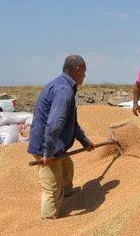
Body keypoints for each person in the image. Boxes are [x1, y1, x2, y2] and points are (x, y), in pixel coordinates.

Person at [27, 55, 95, 219]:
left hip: (56, 145)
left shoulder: (62, 85)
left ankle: (67, 191)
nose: (85, 76)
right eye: (84, 72)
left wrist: (85, 141)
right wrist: (48, 153)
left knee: (66, 165)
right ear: (77, 69)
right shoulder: (64, 90)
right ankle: (49, 222)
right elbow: (54, 125)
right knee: (52, 189)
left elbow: (71, 122)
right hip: (47, 145)